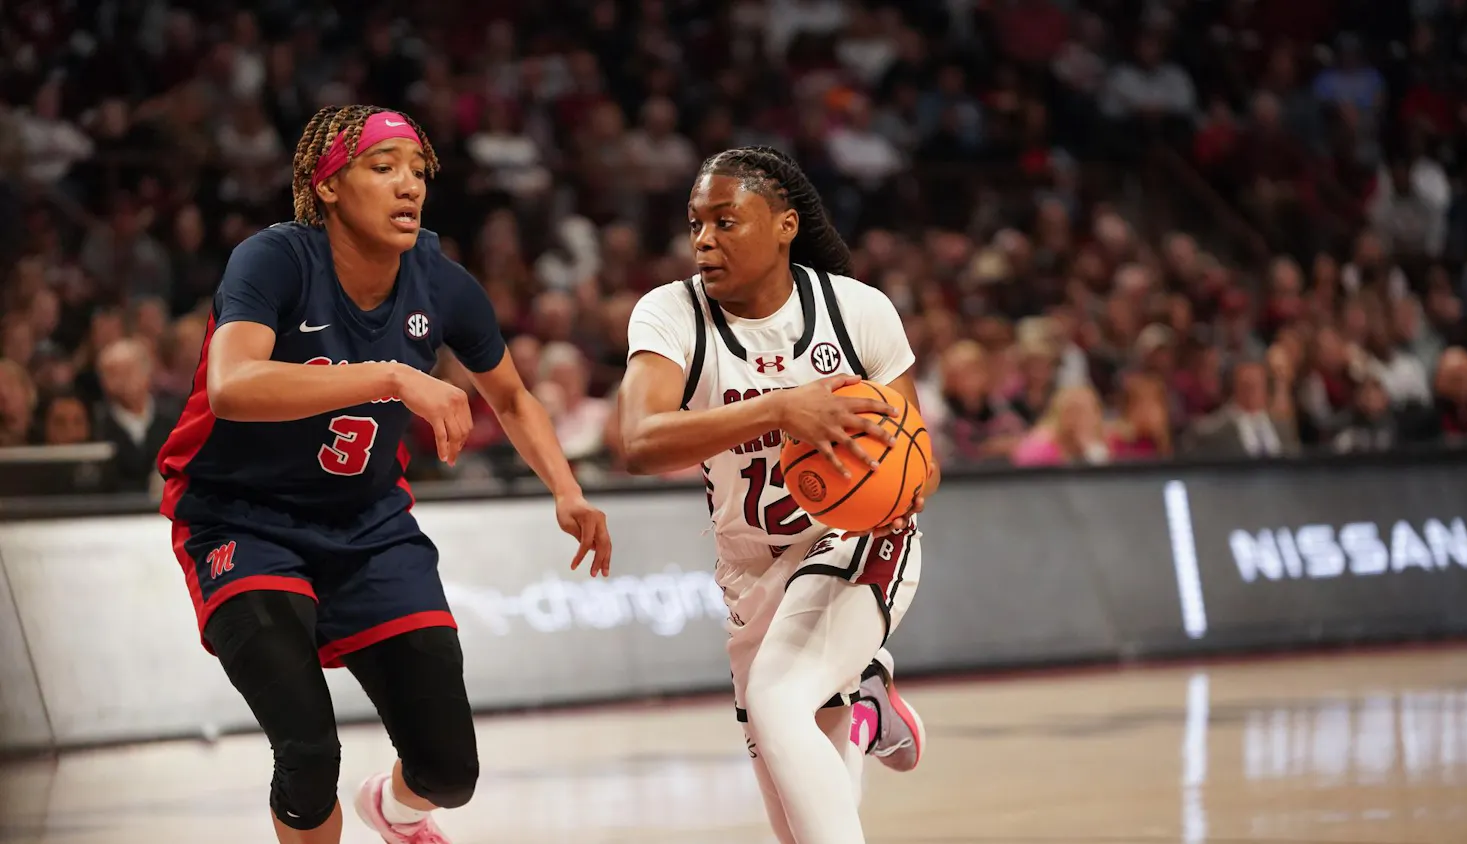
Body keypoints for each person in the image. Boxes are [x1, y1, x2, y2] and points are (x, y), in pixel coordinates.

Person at [155, 104, 612, 844]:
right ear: (327, 185)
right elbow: (233, 385)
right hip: (239, 518)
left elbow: (514, 397)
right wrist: (392, 378)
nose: (410, 186)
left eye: (418, 171)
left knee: (448, 774)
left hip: (368, 525)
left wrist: (568, 490)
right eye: (383, 168)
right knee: (306, 753)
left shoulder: (442, 283)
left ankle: (394, 814)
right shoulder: (273, 259)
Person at [617, 146, 937, 844]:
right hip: (752, 567)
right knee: (798, 817)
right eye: (696, 223)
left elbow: (921, 463)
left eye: (726, 222)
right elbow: (638, 442)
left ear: (785, 225)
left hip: (857, 538)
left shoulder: (855, 312)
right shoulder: (672, 314)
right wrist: (781, 409)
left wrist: (883, 488)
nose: (704, 238)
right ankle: (865, 693)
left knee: (779, 699)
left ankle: (859, 672)